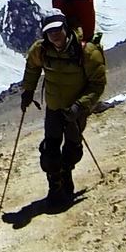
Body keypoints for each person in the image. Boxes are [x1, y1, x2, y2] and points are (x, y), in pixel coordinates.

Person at [19, 12, 106, 209]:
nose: (54, 35)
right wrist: (28, 91)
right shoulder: (41, 50)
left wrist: (80, 105)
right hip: (54, 107)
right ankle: (55, 188)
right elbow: (32, 67)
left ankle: (66, 172)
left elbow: (97, 84)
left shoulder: (87, 52)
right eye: (50, 32)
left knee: (73, 148)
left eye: (58, 30)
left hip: (77, 109)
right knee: (50, 149)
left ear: (65, 28)